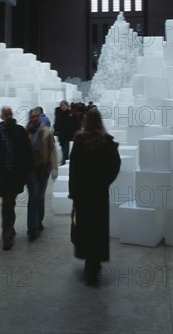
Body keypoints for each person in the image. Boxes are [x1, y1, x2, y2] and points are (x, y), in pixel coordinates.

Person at [68, 107, 121, 286]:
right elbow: (115, 166)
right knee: (98, 227)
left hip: (83, 194)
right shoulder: (107, 141)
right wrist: (104, 182)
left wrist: (73, 193)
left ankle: (89, 263)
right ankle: (95, 262)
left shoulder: (79, 140)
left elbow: (74, 170)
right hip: (99, 194)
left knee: (86, 228)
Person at [0, 106, 32, 250]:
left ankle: (10, 226)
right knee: (7, 204)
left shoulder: (19, 131)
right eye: (5, 114)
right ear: (1, 116)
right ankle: (7, 235)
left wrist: (26, 172)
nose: (8, 116)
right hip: (2, 176)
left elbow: (27, 152)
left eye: (10, 114)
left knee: (10, 203)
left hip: (16, 175)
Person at [26, 107, 58, 240]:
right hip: (31, 169)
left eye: (36, 116)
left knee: (40, 196)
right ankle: (32, 226)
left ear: (40, 117)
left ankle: (38, 220)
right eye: (32, 116)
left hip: (44, 169)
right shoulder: (26, 132)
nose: (34, 118)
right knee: (33, 196)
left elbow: (52, 149)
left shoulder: (46, 132)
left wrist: (54, 166)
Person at [53, 100, 78, 165]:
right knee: (64, 149)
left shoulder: (70, 114)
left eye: (65, 105)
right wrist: (56, 131)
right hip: (61, 135)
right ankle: (64, 162)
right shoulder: (58, 114)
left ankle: (64, 162)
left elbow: (74, 124)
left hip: (67, 135)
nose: (63, 107)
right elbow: (56, 123)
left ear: (67, 106)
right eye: (62, 105)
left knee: (66, 150)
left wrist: (73, 132)